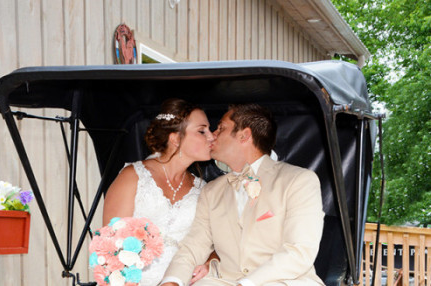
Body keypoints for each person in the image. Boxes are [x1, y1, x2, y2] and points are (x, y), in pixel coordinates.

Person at [161, 104, 325, 286]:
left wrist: (246, 283)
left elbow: (299, 252)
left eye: (221, 128)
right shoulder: (211, 191)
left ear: (244, 135)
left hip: (284, 281)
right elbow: (193, 246)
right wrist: (172, 281)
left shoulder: (299, 180)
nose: (213, 135)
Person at [103, 98, 215, 285]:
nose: (211, 137)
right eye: (202, 131)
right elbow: (109, 246)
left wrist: (211, 261)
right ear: (175, 138)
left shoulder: (202, 189)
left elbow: (215, 242)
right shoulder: (133, 177)